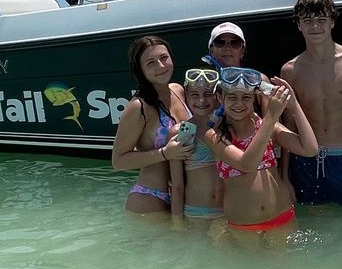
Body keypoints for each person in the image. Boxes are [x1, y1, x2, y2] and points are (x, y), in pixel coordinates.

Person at [281, 0, 342, 209]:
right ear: (299, 25)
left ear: (332, 22)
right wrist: (284, 177)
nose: (315, 26)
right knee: (314, 225)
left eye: (321, 20)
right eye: (308, 21)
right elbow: (288, 127)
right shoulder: (290, 70)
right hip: (305, 160)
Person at [203, 66, 318, 232]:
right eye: (232, 97)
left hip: (282, 216)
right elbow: (246, 164)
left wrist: (293, 105)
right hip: (244, 226)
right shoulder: (214, 136)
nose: (239, 103)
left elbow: (310, 149)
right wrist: (270, 117)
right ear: (220, 98)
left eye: (246, 97)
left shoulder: (269, 128)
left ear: (253, 99)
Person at [111, 36, 193, 214]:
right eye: (151, 63)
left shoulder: (178, 90)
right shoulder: (139, 107)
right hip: (150, 197)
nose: (161, 66)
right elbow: (118, 161)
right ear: (140, 70)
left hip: (182, 195)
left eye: (164, 58)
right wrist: (164, 153)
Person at [177, 68, 224, 219]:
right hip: (194, 212)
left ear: (218, 96)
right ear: (186, 98)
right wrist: (176, 221)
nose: (201, 101)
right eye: (194, 95)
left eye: (208, 94)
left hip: (228, 212)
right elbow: (177, 185)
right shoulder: (185, 130)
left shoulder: (227, 127)